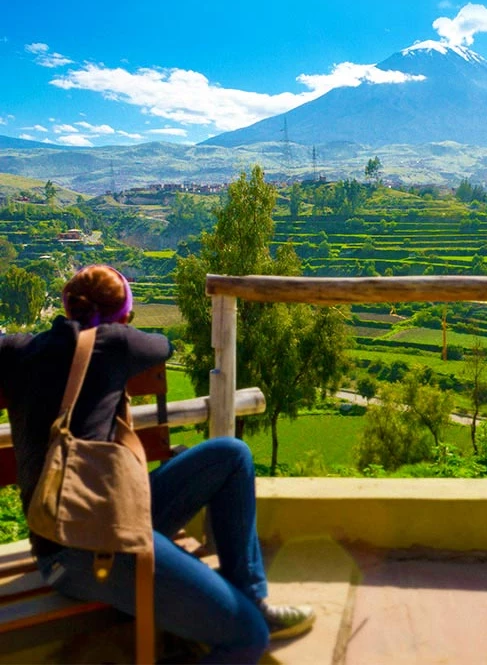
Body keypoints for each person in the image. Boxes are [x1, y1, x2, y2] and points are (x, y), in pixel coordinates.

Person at [0, 264, 315, 664]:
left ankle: (251, 596)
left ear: (66, 306)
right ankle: (248, 619)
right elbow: (162, 346)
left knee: (232, 456)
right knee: (247, 639)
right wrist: (122, 327)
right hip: (85, 557)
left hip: (78, 532)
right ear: (124, 315)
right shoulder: (117, 343)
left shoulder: (17, 350)